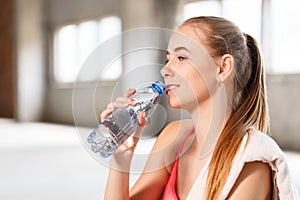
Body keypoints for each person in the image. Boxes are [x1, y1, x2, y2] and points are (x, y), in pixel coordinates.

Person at [102, 16, 299, 199]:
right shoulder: (173, 137)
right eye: (167, 59)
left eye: (181, 58)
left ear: (222, 68)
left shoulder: (251, 162)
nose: (165, 70)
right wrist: (121, 157)